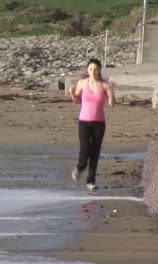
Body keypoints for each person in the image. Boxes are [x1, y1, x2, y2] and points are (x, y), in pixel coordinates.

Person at [69, 58, 116, 191]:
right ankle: (80, 167)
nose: (93, 72)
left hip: (99, 124)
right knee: (85, 148)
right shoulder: (82, 83)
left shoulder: (105, 85)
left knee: (95, 152)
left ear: (99, 70)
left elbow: (112, 104)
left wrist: (111, 93)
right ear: (88, 70)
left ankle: (91, 181)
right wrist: (73, 94)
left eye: (95, 69)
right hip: (84, 122)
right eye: (90, 69)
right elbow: (77, 100)